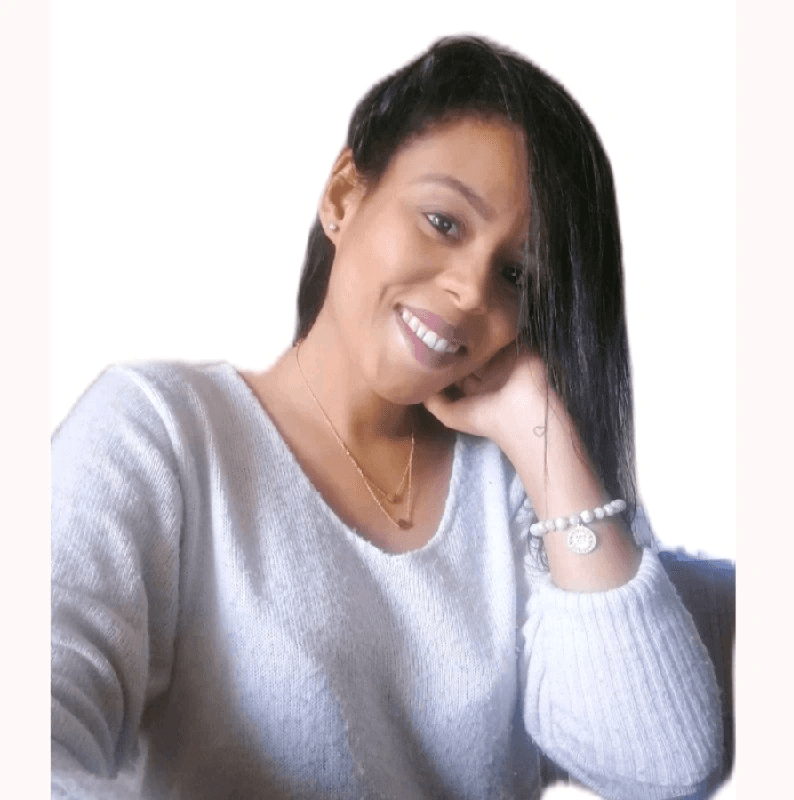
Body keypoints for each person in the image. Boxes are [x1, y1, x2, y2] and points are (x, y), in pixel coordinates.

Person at [51, 36, 728, 799]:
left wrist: (543, 441)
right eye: (444, 222)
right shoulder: (163, 435)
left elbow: (662, 766)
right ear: (344, 195)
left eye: (515, 275)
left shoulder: (520, 492)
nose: (471, 290)